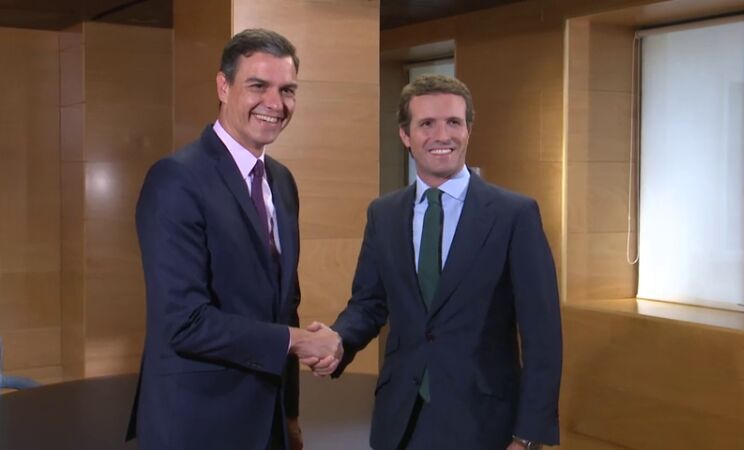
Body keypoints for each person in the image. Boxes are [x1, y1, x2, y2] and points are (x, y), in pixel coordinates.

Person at [313, 74, 562, 449]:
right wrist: (338, 339)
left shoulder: (514, 215)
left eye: (454, 122)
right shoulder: (384, 214)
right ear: (405, 135)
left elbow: (542, 336)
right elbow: (368, 303)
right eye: (427, 124)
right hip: (400, 421)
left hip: (484, 423)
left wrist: (527, 435)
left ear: (469, 130)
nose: (442, 135)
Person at [126, 28, 341, 450]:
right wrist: (299, 342)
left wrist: (290, 415)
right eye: (258, 86)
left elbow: (285, 306)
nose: (275, 104)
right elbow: (184, 323)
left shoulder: (282, 181)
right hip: (196, 424)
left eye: (287, 90)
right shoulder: (176, 179)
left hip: (268, 422)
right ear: (223, 87)